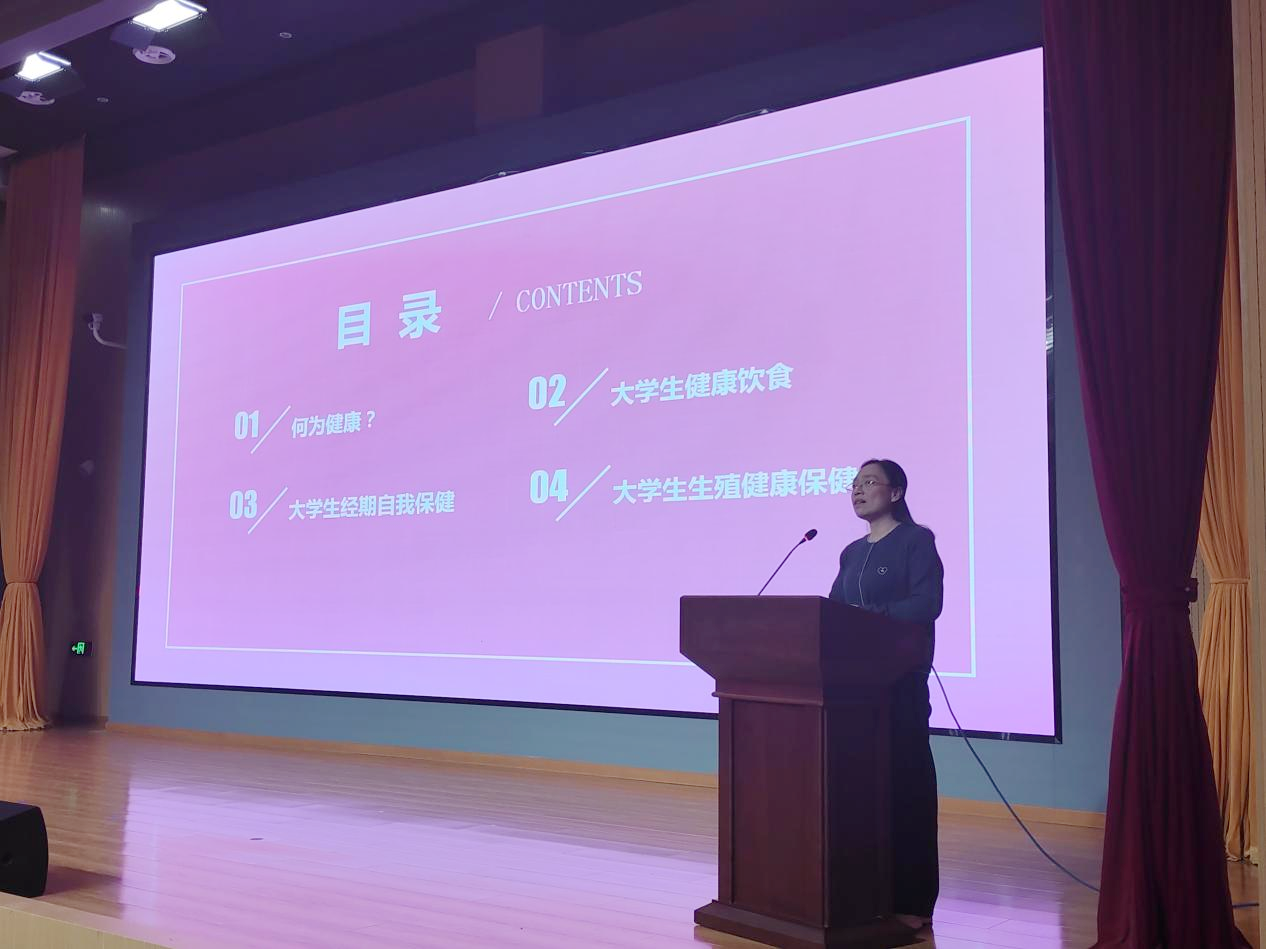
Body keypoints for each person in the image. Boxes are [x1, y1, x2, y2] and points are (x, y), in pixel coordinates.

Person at [827, 458, 943, 933]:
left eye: (869, 482)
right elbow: (831, 613)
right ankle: (865, 892)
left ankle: (913, 899)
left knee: (906, 790)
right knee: (859, 794)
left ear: (895, 493)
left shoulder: (916, 541)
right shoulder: (851, 552)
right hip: (854, 692)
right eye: (854, 484)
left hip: (900, 685)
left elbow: (926, 604)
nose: (858, 490)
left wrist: (869, 615)